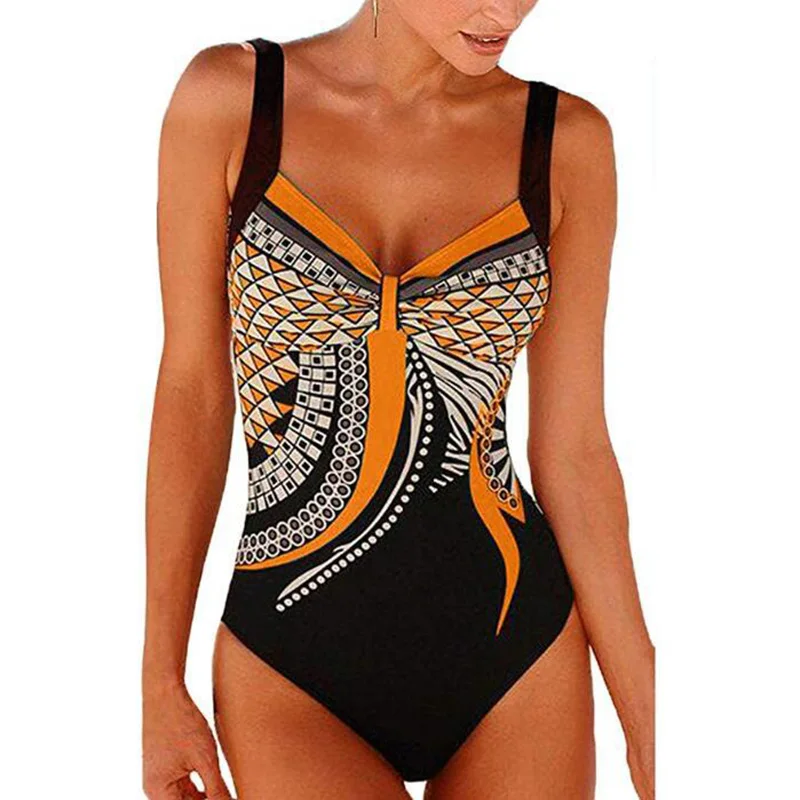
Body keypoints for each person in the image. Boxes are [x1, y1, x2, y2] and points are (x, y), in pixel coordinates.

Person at [142, 2, 655, 798]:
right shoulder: (232, 101)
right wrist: (158, 681)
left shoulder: (566, 142)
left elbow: (575, 450)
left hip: (518, 659)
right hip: (291, 672)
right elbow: (192, 393)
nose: (506, 9)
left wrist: (651, 720)